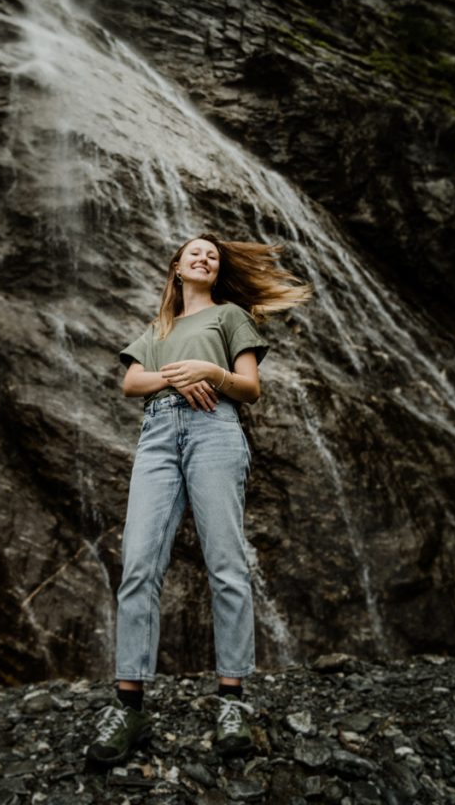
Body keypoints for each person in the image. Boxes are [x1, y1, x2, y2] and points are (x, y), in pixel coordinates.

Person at [86, 233, 312, 768]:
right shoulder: (158, 328)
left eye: (213, 253)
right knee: (139, 564)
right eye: (195, 251)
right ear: (177, 266)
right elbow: (130, 382)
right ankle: (129, 706)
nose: (205, 256)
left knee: (226, 564)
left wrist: (211, 373)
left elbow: (250, 387)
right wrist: (177, 374)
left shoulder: (231, 316)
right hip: (158, 436)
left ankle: (231, 702)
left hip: (216, 429)